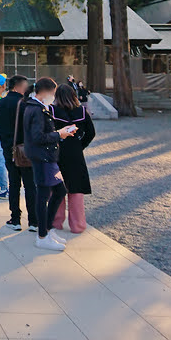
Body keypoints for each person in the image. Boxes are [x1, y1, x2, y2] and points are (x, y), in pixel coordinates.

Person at [22, 77, 75, 251]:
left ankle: (46, 230)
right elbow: (38, 137)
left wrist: (59, 133)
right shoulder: (36, 109)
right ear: (45, 92)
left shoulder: (36, 106)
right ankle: (43, 235)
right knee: (46, 195)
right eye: (53, 93)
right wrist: (59, 134)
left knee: (58, 191)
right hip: (43, 158)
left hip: (46, 158)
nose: (54, 96)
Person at [0, 75, 38, 232]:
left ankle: (15, 219)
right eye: (25, 86)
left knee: (14, 183)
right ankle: (33, 221)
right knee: (30, 184)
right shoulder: (27, 104)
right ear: (19, 87)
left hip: (9, 149)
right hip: (27, 150)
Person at [49, 84, 96, 233]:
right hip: (75, 154)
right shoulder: (82, 111)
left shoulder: (51, 111)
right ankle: (78, 225)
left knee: (57, 189)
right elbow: (91, 133)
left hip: (57, 154)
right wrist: (79, 145)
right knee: (76, 191)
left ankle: (56, 222)